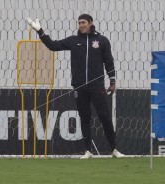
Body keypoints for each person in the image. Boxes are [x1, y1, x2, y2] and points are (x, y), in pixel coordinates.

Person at [27, 14, 124, 159]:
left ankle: (114, 149)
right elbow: (52, 46)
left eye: (83, 22)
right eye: (79, 23)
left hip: (97, 85)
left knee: (104, 116)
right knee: (84, 117)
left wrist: (112, 81)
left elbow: (108, 61)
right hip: (79, 86)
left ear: (90, 23)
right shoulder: (73, 40)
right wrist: (40, 31)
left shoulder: (102, 40)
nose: (81, 25)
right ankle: (88, 151)